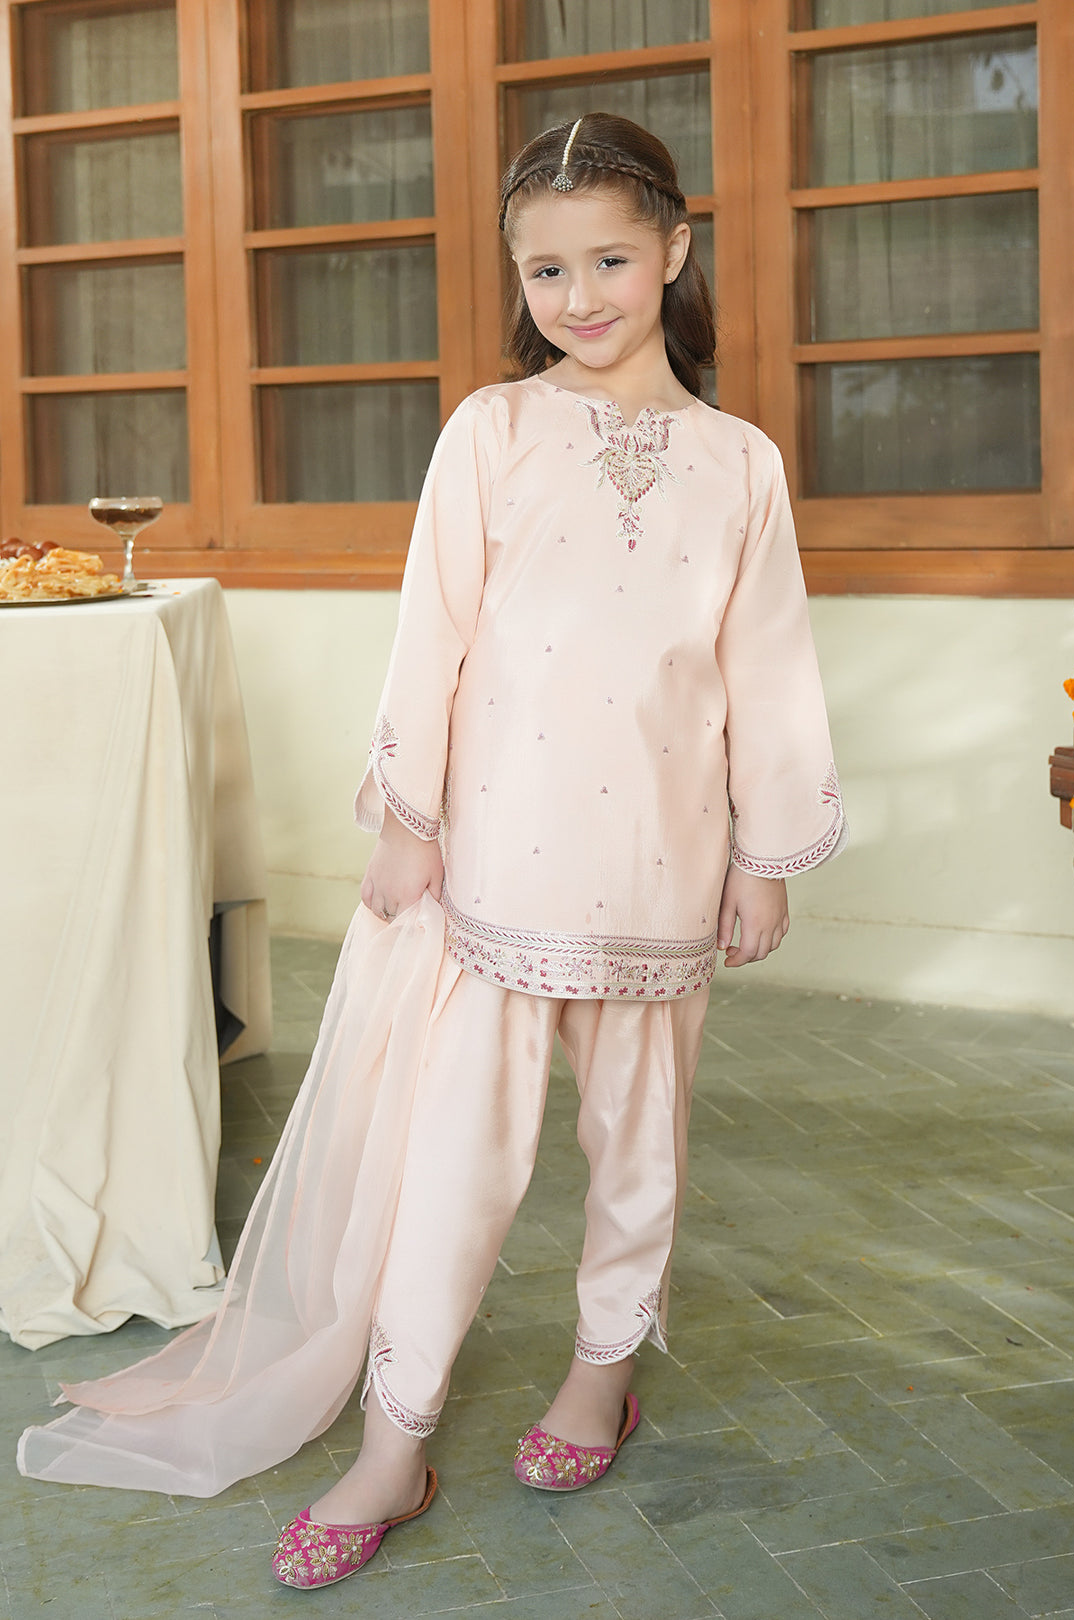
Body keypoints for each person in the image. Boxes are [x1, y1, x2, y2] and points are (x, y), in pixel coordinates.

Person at [18, 113, 846, 1590]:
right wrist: (409, 823)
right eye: (546, 271)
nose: (580, 296)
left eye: (610, 260)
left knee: (637, 1148)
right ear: (517, 279)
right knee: (453, 1165)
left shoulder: (742, 466)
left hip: (662, 862)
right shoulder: (493, 430)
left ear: (675, 251)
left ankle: (602, 1372)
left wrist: (765, 856)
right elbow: (436, 635)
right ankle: (394, 1442)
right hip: (495, 866)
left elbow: (766, 667)